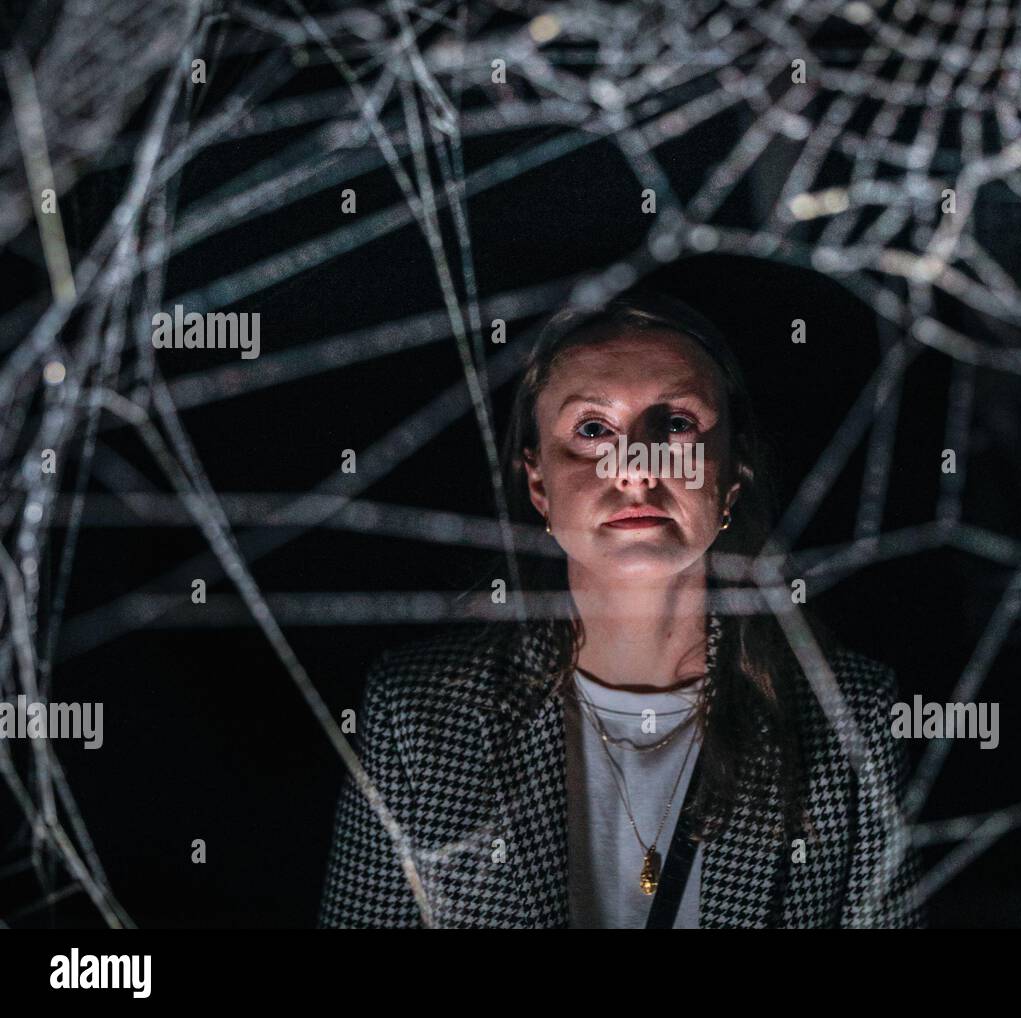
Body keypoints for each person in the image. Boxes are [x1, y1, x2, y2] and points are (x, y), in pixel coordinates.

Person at [318, 291, 925, 928]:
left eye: (676, 425)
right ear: (538, 483)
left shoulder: (850, 718)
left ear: (732, 475)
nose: (635, 469)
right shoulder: (416, 717)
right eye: (592, 430)